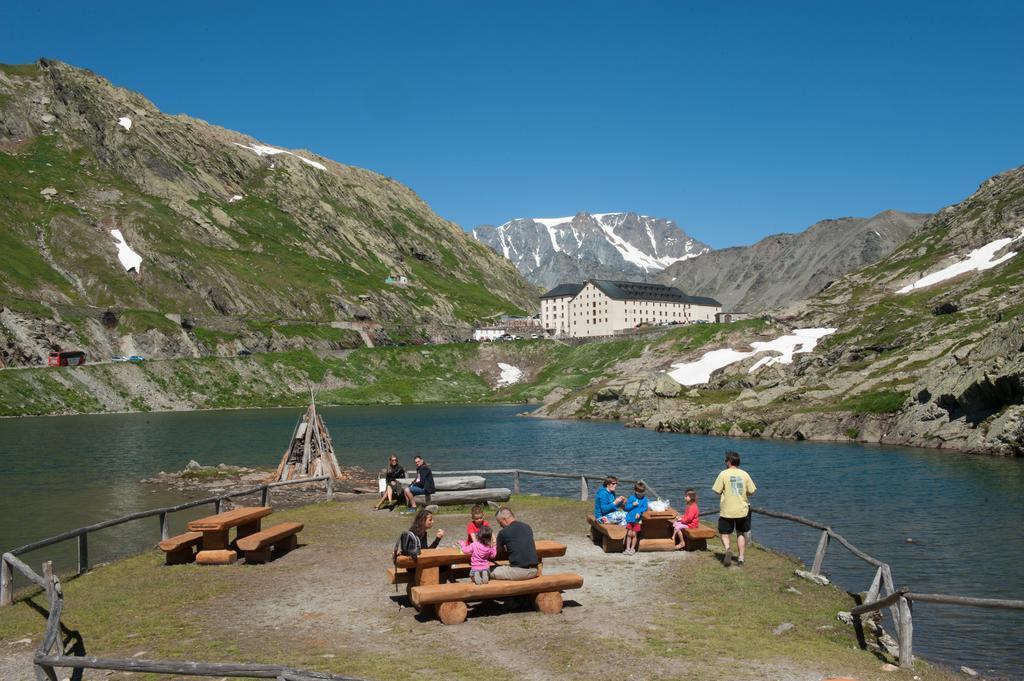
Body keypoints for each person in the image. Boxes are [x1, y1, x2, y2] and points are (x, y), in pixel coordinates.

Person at [712, 451, 757, 567]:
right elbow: (752, 491)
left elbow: (716, 491)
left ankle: (728, 549)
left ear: (729, 462)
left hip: (727, 510)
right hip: (742, 510)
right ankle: (741, 557)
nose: (725, 462)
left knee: (724, 532)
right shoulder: (745, 474)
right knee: (740, 533)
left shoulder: (723, 474)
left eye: (726, 460)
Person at [490, 507, 539, 581]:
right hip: (534, 570)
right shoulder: (527, 527)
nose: (500, 526)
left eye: (500, 523)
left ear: (504, 520)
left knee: (488, 570)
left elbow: (498, 551)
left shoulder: (503, 532)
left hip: (518, 572)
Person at [623, 482, 649, 555]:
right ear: (635, 491)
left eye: (642, 492)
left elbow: (645, 508)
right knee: (629, 534)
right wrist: (632, 505)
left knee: (634, 534)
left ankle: (632, 548)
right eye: (639, 492)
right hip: (629, 519)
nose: (640, 494)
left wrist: (639, 513)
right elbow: (626, 508)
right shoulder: (631, 498)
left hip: (637, 521)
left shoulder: (644, 499)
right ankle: (627, 548)